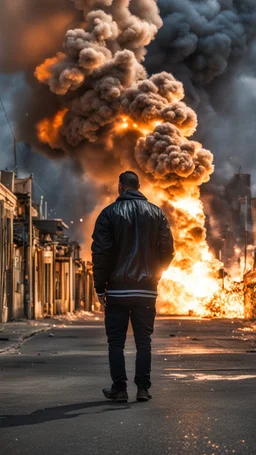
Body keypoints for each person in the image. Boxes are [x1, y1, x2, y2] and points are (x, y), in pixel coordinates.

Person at [91, 171, 174, 402]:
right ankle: (143, 389)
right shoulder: (157, 214)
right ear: (139, 187)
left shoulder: (108, 214)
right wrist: (154, 274)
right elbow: (168, 251)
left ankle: (119, 389)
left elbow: (100, 253)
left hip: (116, 291)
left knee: (116, 342)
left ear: (120, 187)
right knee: (143, 341)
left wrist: (100, 287)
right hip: (146, 291)